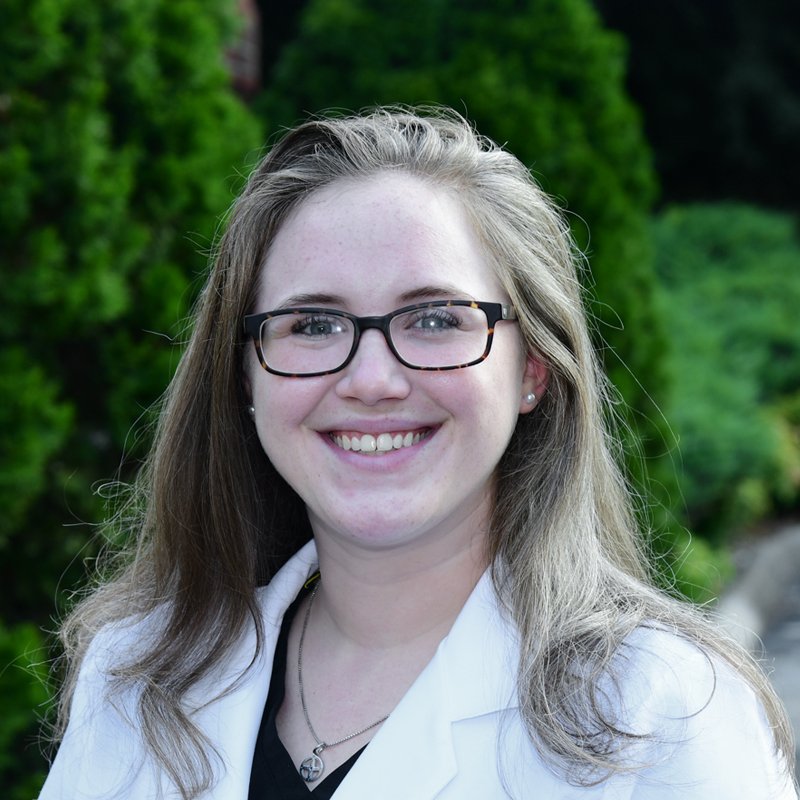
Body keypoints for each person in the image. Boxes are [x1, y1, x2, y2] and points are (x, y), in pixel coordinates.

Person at [40, 107, 797, 800]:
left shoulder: (660, 713)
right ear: (245, 374)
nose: (371, 380)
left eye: (435, 318)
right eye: (312, 325)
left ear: (532, 368)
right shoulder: (135, 680)